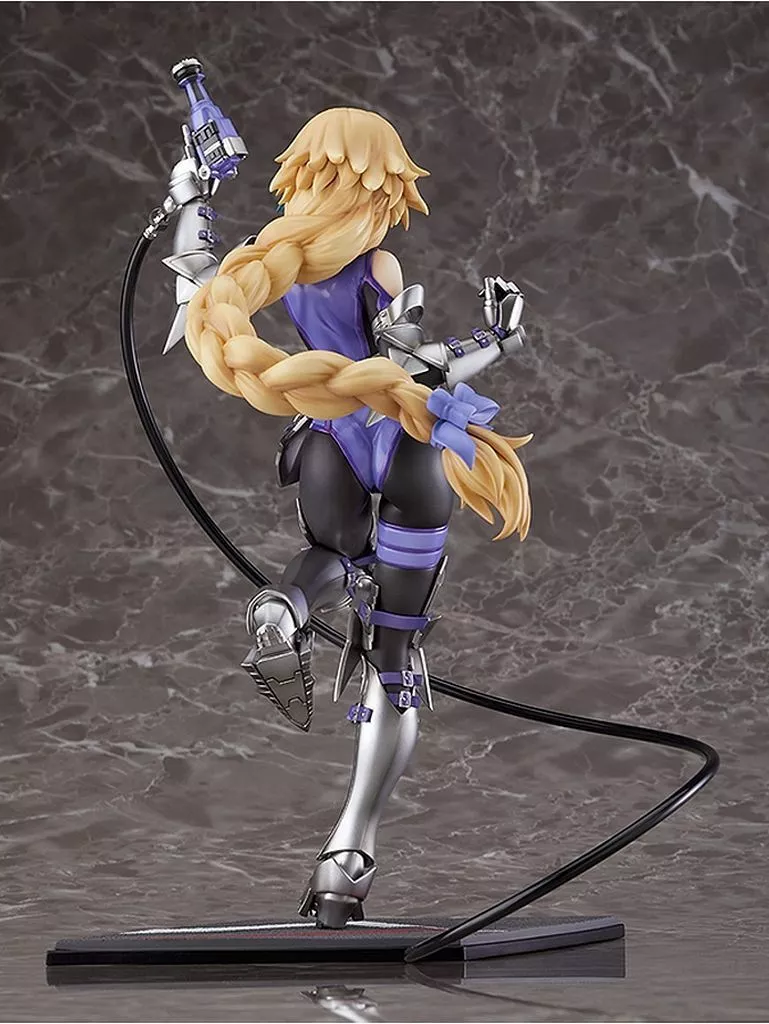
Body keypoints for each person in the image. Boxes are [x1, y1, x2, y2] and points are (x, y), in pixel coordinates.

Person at [166, 107, 532, 928]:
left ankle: (287, 605)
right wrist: (498, 341)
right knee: (393, 658)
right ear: (384, 183)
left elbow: (199, 293)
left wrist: (188, 195)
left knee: (328, 554)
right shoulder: (375, 264)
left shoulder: (270, 262)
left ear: (300, 172)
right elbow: (412, 371)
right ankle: (347, 860)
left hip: (328, 435)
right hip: (402, 442)